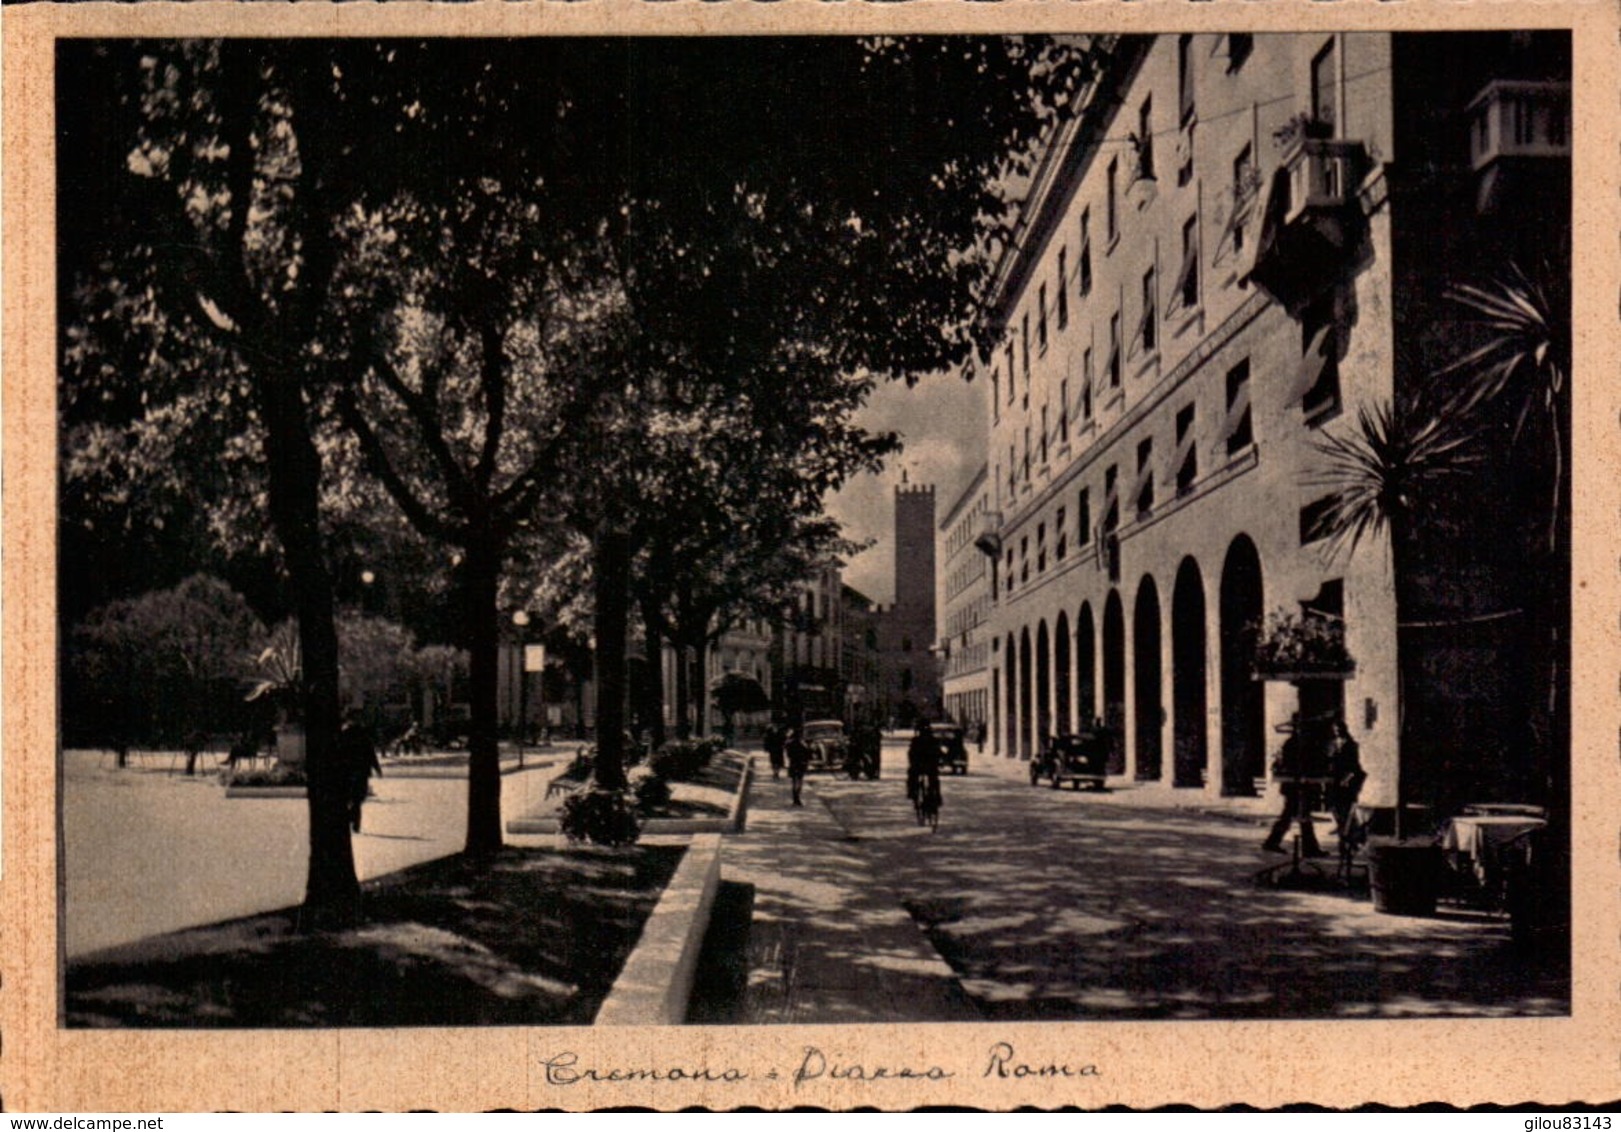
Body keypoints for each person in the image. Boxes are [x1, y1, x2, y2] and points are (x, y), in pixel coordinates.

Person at [1261, 715, 1326, 856]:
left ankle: (1275, 842)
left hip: (1296, 786)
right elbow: (1292, 765)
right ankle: (1307, 848)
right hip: (1296, 786)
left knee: (1296, 815)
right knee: (1298, 815)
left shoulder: (1298, 743)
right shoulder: (1294, 744)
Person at [341, 712, 382, 834]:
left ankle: (350, 818)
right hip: (361, 771)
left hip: (348, 771)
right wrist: (377, 768)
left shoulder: (344, 734)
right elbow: (371, 753)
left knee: (351, 798)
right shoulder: (363, 734)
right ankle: (355, 823)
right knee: (358, 799)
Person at [1326, 720, 1367, 839]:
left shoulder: (1351, 744)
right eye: (1334, 730)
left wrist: (1347, 778)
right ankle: (1342, 825)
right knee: (1333, 804)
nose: (1336, 732)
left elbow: (1354, 765)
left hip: (1349, 777)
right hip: (1335, 777)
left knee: (1347, 805)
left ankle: (1350, 829)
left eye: (1338, 729)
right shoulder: (1332, 744)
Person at [906, 722, 942, 829]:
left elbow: (911, 754)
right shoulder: (933, 740)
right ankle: (937, 798)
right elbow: (939, 753)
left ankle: (912, 793)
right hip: (930, 767)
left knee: (912, 777)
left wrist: (912, 763)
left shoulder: (916, 740)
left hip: (919, 767)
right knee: (934, 781)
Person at [785, 727, 811, 807]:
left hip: (793, 763)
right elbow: (808, 754)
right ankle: (798, 798)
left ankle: (795, 798)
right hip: (801, 764)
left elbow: (788, 754)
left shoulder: (789, 744)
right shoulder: (803, 744)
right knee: (799, 781)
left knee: (794, 781)